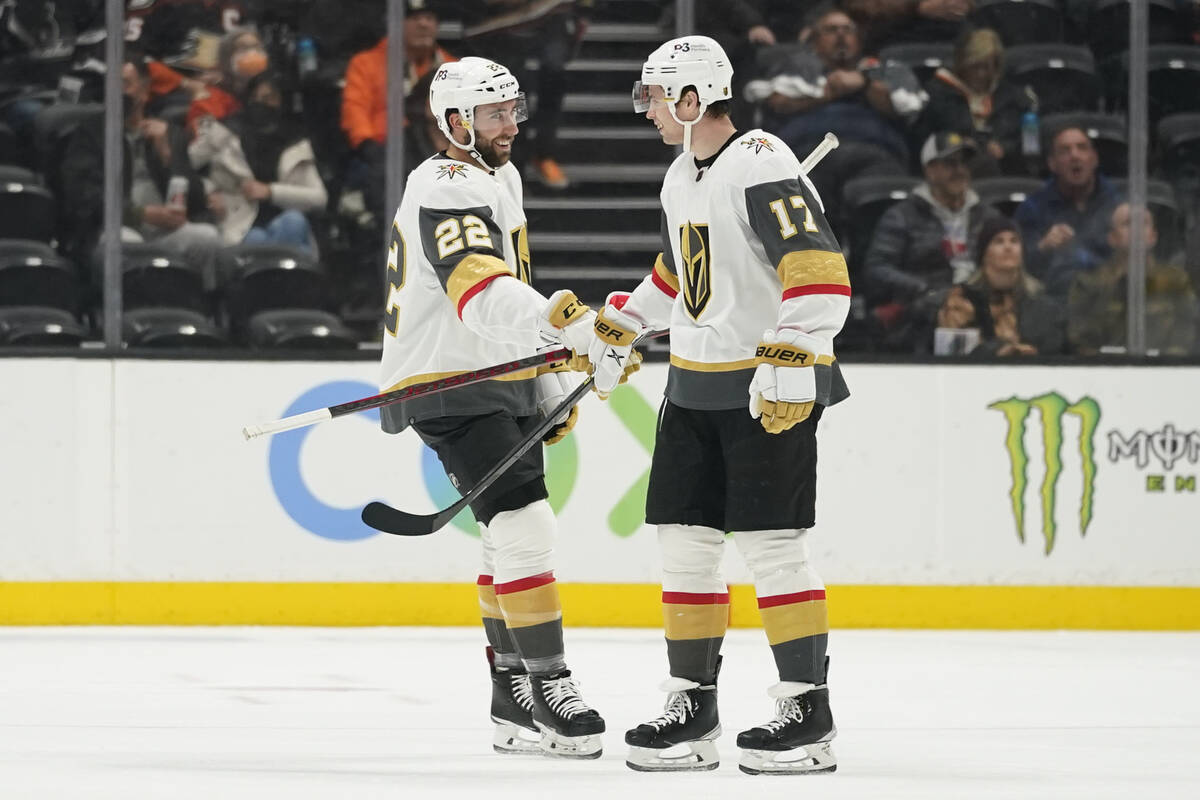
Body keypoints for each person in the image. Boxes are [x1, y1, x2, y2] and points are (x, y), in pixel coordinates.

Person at [379, 56, 637, 759]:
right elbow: (479, 290)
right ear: (455, 122)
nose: (510, 125)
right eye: (495, 114)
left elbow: (506, 293)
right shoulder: (444, 181)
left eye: (513, 111)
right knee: (526, 525)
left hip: (493, 373)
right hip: (448, 383)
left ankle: (512, 698)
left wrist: (546, 378)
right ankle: (550, 689)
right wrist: (572, 326)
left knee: (507, 534)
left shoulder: (498, 177)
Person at [613, 35, 849, 774]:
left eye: (654, 95)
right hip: (692, 384)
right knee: (684, 544)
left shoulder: (760, 160)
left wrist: (793, 349)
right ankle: (692, 705)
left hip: (762, 387)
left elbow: (819, 271)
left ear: (691, 99)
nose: (646, 108)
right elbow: (680, 272)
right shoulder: (681, 174)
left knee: (773, 547)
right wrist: (623, 321)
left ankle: (807, 711)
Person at [745, 5, 925, 227]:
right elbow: (777, 103)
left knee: (882, 204)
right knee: (802, 204)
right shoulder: (795, 66)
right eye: (831, 30)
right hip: (810, 154)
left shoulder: (884, 70)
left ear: (859, 39)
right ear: (814, 40)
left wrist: (864, 83)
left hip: (874, 153)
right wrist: (829, 94)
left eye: (847, 30)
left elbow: (905, 108)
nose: (841, 35)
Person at [61, 56, 223, 285]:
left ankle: (198, 312)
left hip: (167, 232)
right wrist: (140, 214)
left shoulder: (170, 133)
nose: (117, 91)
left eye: (125, 84)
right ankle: (126, 314)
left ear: (145, 91)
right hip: (120, 227)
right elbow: (84, 198)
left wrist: (167, 154)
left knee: (207, 238)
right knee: (123, 242)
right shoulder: (91, 134)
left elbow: (195, 201)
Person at [865, 132, 1000, 322]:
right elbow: (878, 268)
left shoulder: (987, 216)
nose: (959, 170)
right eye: (950, 164)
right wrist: (925, 288)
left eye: (964, 163)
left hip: (982, 302)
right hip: (923, 308)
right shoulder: (902, 216)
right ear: (930, 169)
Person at [341, 0, 456, 218]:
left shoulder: (453, 69)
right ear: (395, 22)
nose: (423, 24)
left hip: (435, 155)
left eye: (429, 18)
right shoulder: (366, 64)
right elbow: (355, 109)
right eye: (414, 18)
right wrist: (368, 146)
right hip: (381, 154)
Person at [188, 71, 327, 251]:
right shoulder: (225, 131)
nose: (260, 104)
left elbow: (319, 198)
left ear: (283, 101)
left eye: (269, 98)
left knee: (293, 221)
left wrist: (270, 192)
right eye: (254, 97)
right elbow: (185, 165)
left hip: (287, 223)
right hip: (238, 224)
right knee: (256, 238)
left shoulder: (295, 142)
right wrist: (209, 192)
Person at [463, 0, 587, 189]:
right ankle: (514, 163)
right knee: (515, 87)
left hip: (551, 13)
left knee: (554, 73)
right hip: (502, 19)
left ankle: (544, 154)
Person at [917, 217, 1065, 356]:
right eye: (998, 241)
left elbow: (1054, 348)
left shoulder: (1041, 304)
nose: (1008, 247)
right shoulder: (961, 300)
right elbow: (956, 352)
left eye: (1014, 241)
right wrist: (996, 352)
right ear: (984, 254)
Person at [1068, 202, 1197, 356]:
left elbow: (1187, 333)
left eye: (1143, 223)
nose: (1136, 229)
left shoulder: (1176, 281)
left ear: (1153, 236)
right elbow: (1080, 341)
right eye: (1127, 223)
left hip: (1166, 372)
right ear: (1112, 238)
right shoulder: (1089, 284)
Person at [1014, 125, 1122, 298]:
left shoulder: (1117, 205)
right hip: (1054, 303)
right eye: (1065, 151)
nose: (1074, 155)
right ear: (1052, 164)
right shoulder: (1032, 209)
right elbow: (1019, 268)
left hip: (1110, 298)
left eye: (1082, 148)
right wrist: (1044, 248)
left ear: (1094, 159)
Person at [915, 27, 1033, 177]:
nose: (980, 73)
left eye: (986, 67)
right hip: (954, 167)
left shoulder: (1012, 97)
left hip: (1006, 167)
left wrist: (1004, 147)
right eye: (974, 66)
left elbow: (1029, 140)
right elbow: (924, 139)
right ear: (962, 63)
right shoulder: (939, 94)